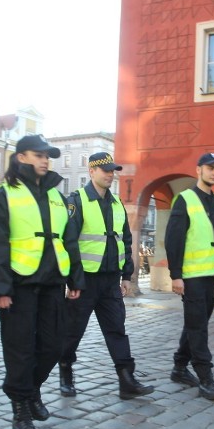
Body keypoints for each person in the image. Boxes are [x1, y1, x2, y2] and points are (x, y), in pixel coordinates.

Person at [0, 135, 85, 429]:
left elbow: (69, 240)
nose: (45, 160)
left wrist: (75, 278)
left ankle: (32, 390)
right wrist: (0, 289)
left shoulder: (55, 197)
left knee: (53, 346)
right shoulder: (4, 196)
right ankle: (21, 409)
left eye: (47, 156)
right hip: (19, 286)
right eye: (38, 155)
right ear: (21, 157)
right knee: (20, 350)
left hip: (52, 284)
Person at [59, 152, 155, 399]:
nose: (110, 175)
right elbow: (69, 243)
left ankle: (127, 380)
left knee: (117, 331)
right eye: (105, 170)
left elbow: (126, 240)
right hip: (85, 282)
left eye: (113, 171)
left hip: (111, 282)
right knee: (72, 332)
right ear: (92, 171)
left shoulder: (117, 203)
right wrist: (73, 281)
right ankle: (66, 372)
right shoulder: (76, 201)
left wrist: (126, 275)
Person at [164, 152, 214, 401]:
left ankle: (179, 367)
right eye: (210, 168)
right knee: (198, 328)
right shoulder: (185, 199)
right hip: (192, 276)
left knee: (197, 323)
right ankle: (206, 379)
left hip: (211, 275)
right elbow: (173, 239)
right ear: (198, 170)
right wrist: (176, 275)